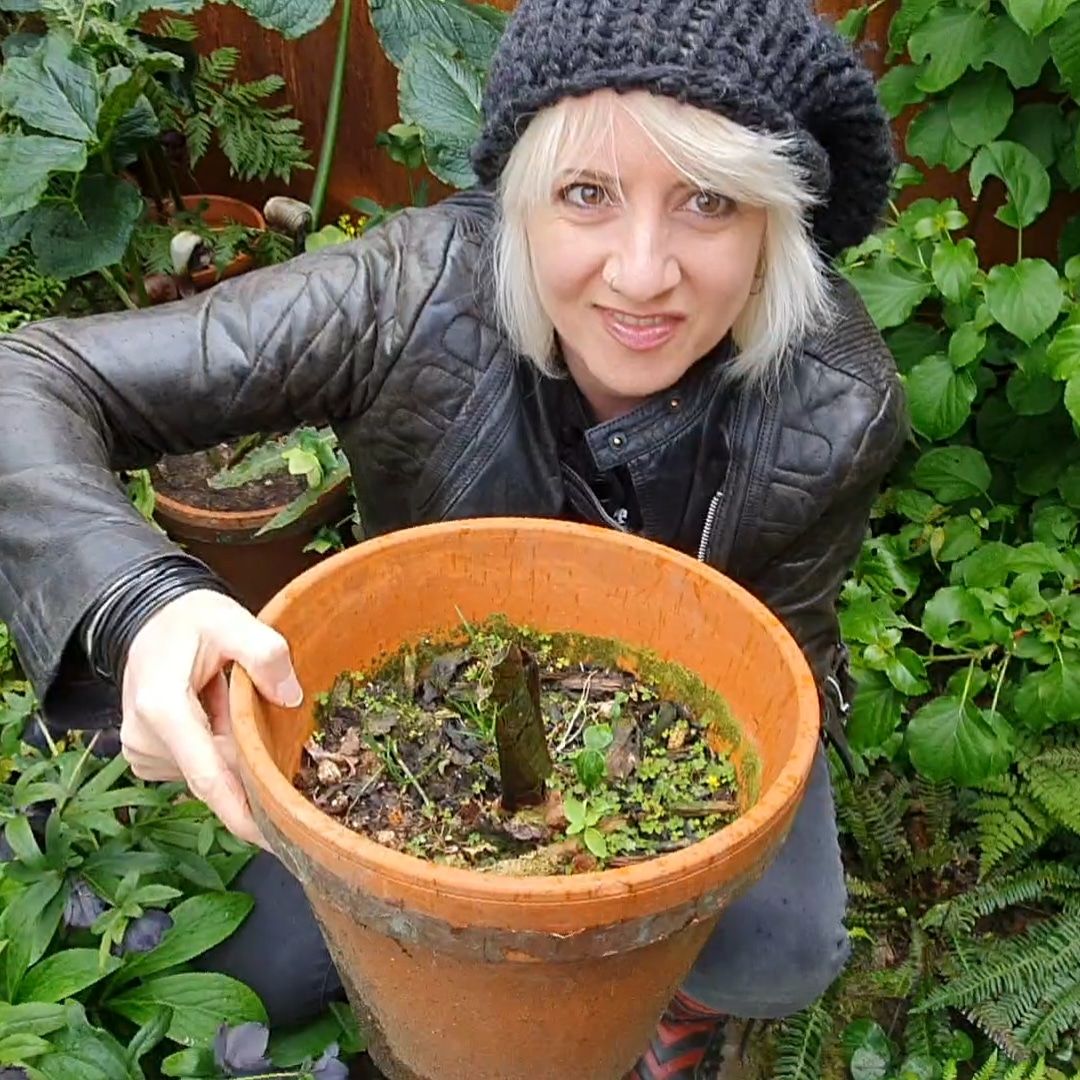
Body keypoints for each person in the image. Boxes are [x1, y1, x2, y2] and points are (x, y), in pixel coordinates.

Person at [0, 0, 907, 1075]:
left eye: (709, 202)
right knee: (268, 973)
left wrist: (632, 883)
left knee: (782, 952)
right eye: (587, 194)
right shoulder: (411, 295)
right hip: (411, 711)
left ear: (771, 226)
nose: (642, 273)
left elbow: (773, 663)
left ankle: (674, 1017)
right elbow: (31, 378)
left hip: (652, 733)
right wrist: (141, 603)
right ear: (520, 199)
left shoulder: (836, 402)